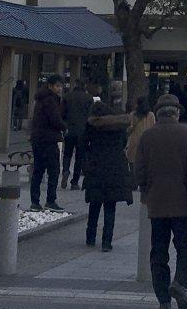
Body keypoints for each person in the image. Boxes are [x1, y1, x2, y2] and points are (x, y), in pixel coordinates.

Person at [135, 94, 187, 309]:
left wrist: (147, 193)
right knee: (185, 248)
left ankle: (163, 301)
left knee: (158, 252)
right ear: (177, 113)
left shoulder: (148, 137)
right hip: (182, 205)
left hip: (156, 205)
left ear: (158, 113)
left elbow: (139, 172)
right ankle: (179, 281)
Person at [80, 102, 133, 251]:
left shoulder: (91, 125)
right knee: (110, 206)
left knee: (95, 204)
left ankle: (90, 237)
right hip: (115, 167)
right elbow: (123, 143)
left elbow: (83, 143)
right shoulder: (118, 126)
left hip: (96, 166)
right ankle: (106, 241)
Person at [29, 75, 67, 212]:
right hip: (49, 138)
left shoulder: (40, 98)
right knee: (54, 170)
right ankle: (50, 200)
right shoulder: (51, 100)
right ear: (50, 86)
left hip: (37, 138)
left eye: (61, 86)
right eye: (57, 86)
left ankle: (35, 201)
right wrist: (65, 126)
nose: (60, 88)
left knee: (38, 170)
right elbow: (55, 120)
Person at [61, 80, 94, 190]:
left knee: (67, 153)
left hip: (69, 129)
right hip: (82, 131)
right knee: (79, 157)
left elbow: (62, 114)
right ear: (84, 86)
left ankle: (65, 170)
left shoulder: (67, 96)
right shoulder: (89, 98)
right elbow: (90, 116)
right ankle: (74, 182)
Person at [125, 96, 156, 173]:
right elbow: (153, 128)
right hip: (147, 141)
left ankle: (134, 182)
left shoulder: (133, 115)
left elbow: (129, 129)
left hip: (134, 141)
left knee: (134, 165)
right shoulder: (151, 115)